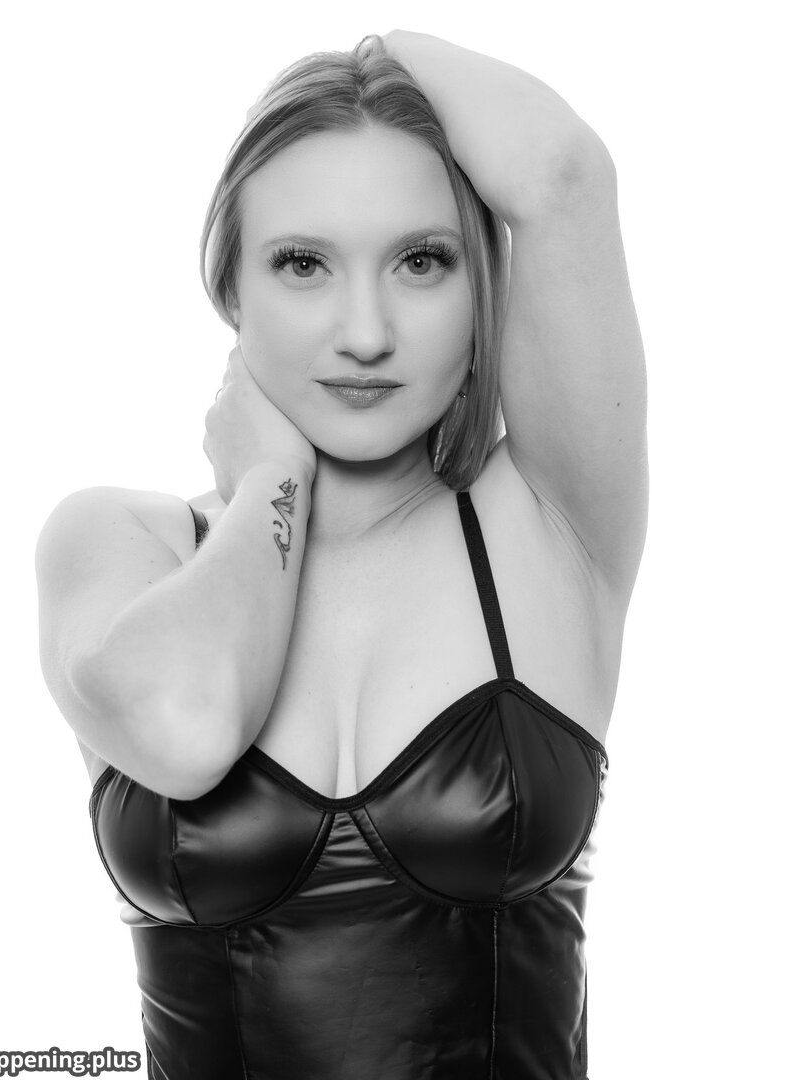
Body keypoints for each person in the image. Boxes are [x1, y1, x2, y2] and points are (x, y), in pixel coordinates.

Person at [36, 29, 647, 1080]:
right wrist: (273, 481)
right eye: (304, 264)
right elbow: (187, 728)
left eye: (422, 261)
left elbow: (560, 169)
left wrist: (376, 51)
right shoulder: (120, 542)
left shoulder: (548, 524)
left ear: (481, 290)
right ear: (232, 289)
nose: (366, 332)